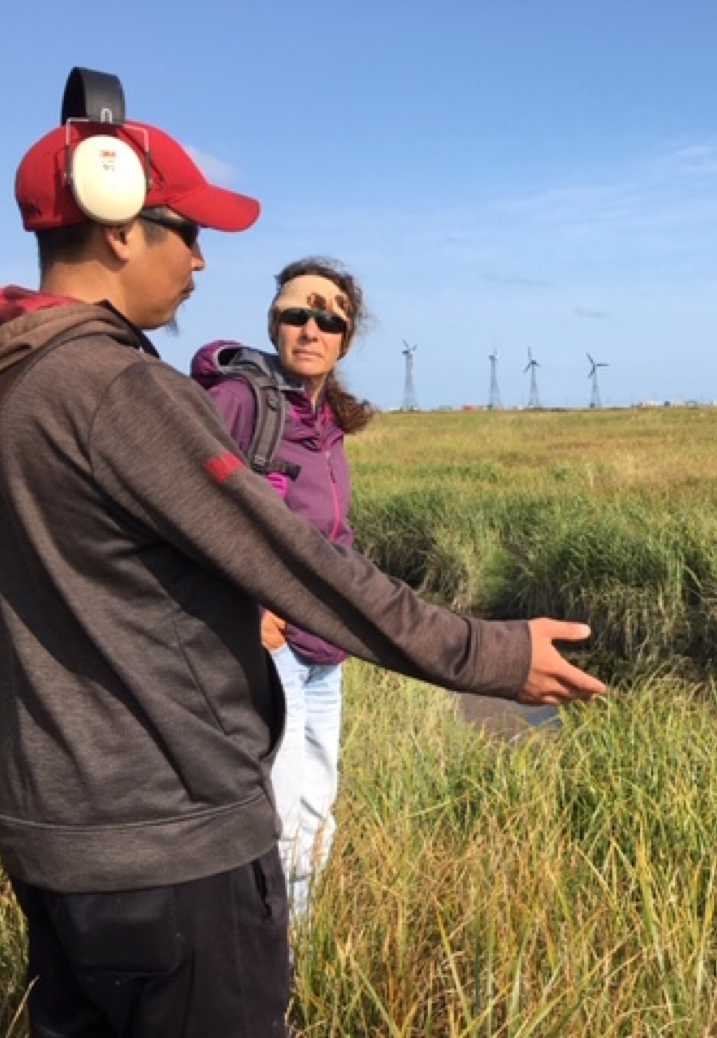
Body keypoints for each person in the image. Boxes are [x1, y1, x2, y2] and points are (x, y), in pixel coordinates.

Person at [0, 75, 606, 1038]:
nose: (201, 261)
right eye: (187, 231)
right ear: (118, 225)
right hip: (172, 848)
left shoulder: (20, 371)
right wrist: (489, 655)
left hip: (59, 838)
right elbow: (305, 566)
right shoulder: (117, 388)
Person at [192, 257, 372, 922]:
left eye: (329, 318)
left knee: (316, 806)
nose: (311, 327)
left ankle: (299, 951)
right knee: (278, 811)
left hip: (326, 648)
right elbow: (186, 507)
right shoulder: (241, 401)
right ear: (274, 322)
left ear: (345, 337)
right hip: (270, 645)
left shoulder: (329, 427)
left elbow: (332, 533)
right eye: (297, 313)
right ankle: (266, 961)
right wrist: (247, 607)